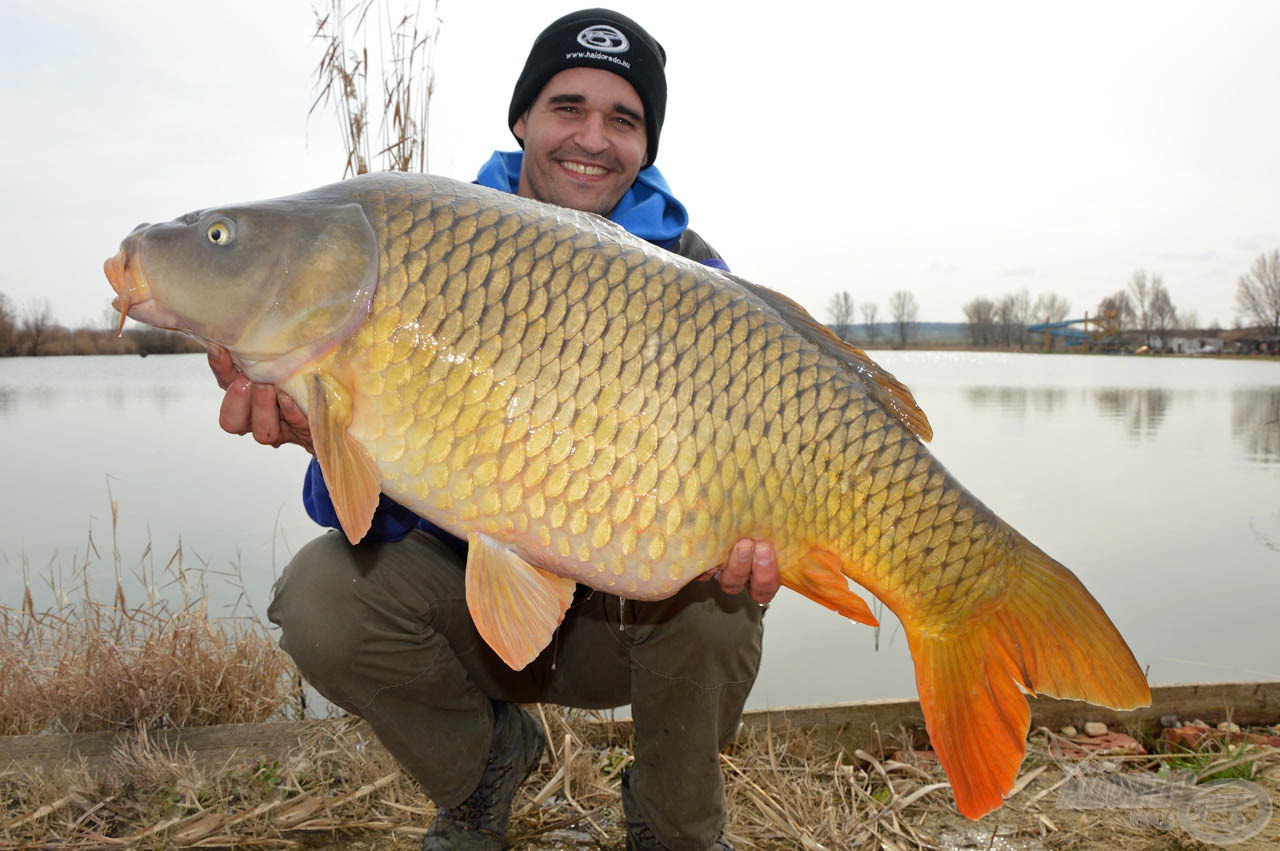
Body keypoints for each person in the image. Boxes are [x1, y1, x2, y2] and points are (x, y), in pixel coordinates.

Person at [208, 9, 779, 850]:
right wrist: (319, 431)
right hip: (483, 612)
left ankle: (672, 824)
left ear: (646, 147)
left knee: (721, 600)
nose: (591, 137)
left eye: (623, 119)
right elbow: (361, 519)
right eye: (567, 107)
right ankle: (484, 771)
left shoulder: (696, 282)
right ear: (523, 120)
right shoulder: (431, 242)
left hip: (634, 622)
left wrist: (749, 539)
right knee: (324, 596)